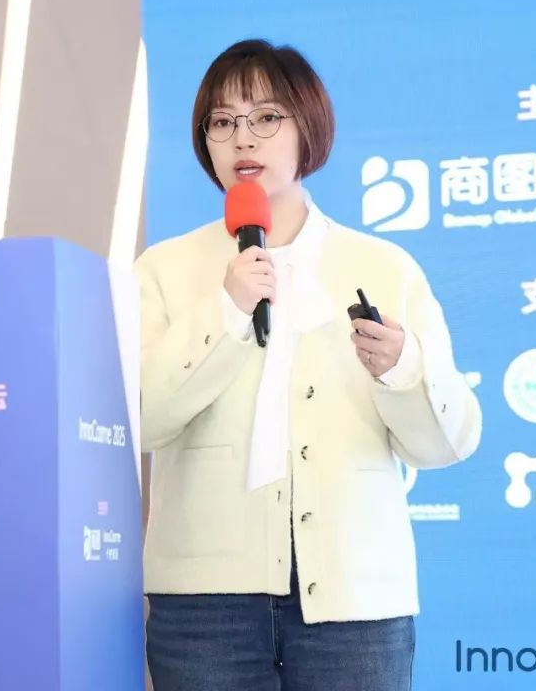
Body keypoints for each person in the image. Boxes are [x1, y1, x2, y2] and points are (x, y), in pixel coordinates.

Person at [134, 38, 482, 691]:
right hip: (205, 604)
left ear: (308, 127)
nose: (243, 138)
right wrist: (227, 311)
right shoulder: (165, 269)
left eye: (266, 117)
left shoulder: (383, 267)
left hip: (354, 596)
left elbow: (448, 442)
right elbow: (142, 421)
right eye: (221, 121)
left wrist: (404, 368)